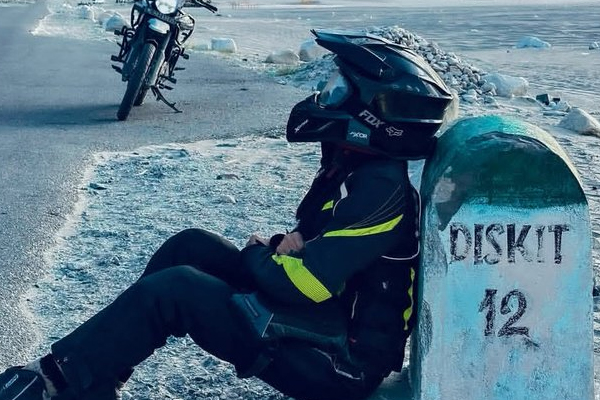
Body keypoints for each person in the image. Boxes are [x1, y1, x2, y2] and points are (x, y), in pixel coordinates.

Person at [0, 29, 453, 400]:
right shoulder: (357, 170)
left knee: (176, 289)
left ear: (373, 114)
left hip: (340, 367)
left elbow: (305, 283)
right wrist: (283, 248)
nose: (324, 96)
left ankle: (52, 380)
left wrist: (262, 254)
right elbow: (316, 252)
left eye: (337, 90)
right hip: (324, 320)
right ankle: (94, 379)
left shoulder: (381, 189)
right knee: (188, 246)